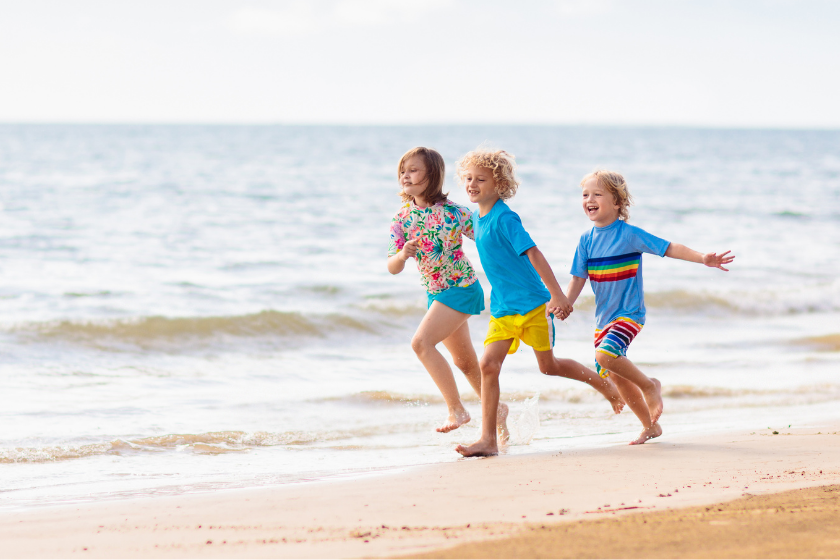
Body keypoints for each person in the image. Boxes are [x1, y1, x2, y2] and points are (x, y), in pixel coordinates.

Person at [454, 149, 624, 458]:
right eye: (468, 178)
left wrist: (557, 295)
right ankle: (488, 439)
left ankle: (607, 387)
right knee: (488, 365)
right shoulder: (476, 219)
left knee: (550, 367)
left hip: (532, 304)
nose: (472, 184)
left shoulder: (505, 217)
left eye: (481, 179)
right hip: (503, 308)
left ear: (499, 184)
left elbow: (534, 253)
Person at [566, 170, 735, 444]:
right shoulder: (585, 240)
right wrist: (565, 304)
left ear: (617, 202)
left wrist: (702, 257)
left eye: (597, 194)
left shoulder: (629, 234)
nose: (589, 199)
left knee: (604, 355)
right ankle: (649, 426)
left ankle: (649, 385)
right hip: (603, 320)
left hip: (629, 314)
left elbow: (669, 248)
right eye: (585, 195)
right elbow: (577, 278)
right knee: (617, 378)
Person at [388, 146, 508, 437]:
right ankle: (499, 412)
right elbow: (392, 267)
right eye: (403, 170)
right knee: (465, 363)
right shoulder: (401, 219)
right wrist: (403, 255)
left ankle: (457, 409)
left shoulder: (454, 213)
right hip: (435, 293)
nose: (406, 174)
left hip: (461, 288)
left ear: (432, 174)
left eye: (413, 169)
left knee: (421, 344)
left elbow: (488, 236)